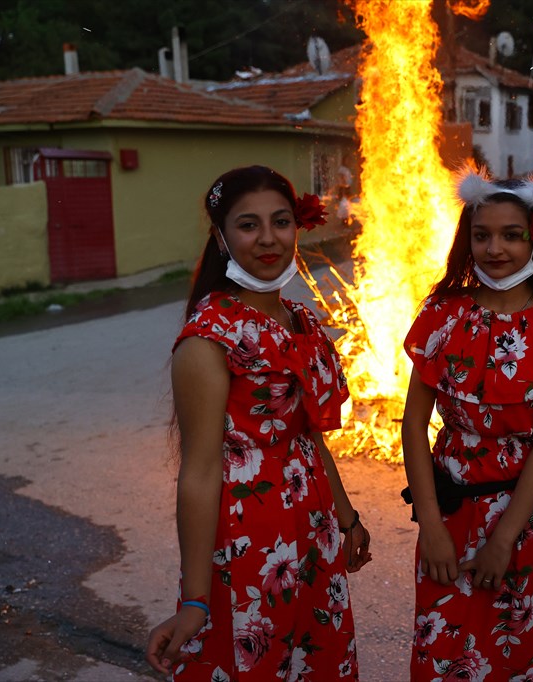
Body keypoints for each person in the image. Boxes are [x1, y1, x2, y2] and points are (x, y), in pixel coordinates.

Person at [145, 166, 371, 680]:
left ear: (299, 228)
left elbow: (310, 436)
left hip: (314, 532)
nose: (268, 239)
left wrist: (346, 516)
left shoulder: (303, 321)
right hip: (249, 543)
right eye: (248, 225)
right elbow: (199, 473)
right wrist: (195, 600)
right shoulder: (209, 339)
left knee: (317, 663)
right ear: (223, 238)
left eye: (281, 222)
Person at [401, 169, 533, 680]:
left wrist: (504, 538)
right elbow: (413, 424)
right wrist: (432, 527)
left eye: (512, 234)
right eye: (482, 235)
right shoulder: (442, 316)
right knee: (446, 649)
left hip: (525, 520)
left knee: (520, 654)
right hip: (450, 514)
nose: (495, 248)